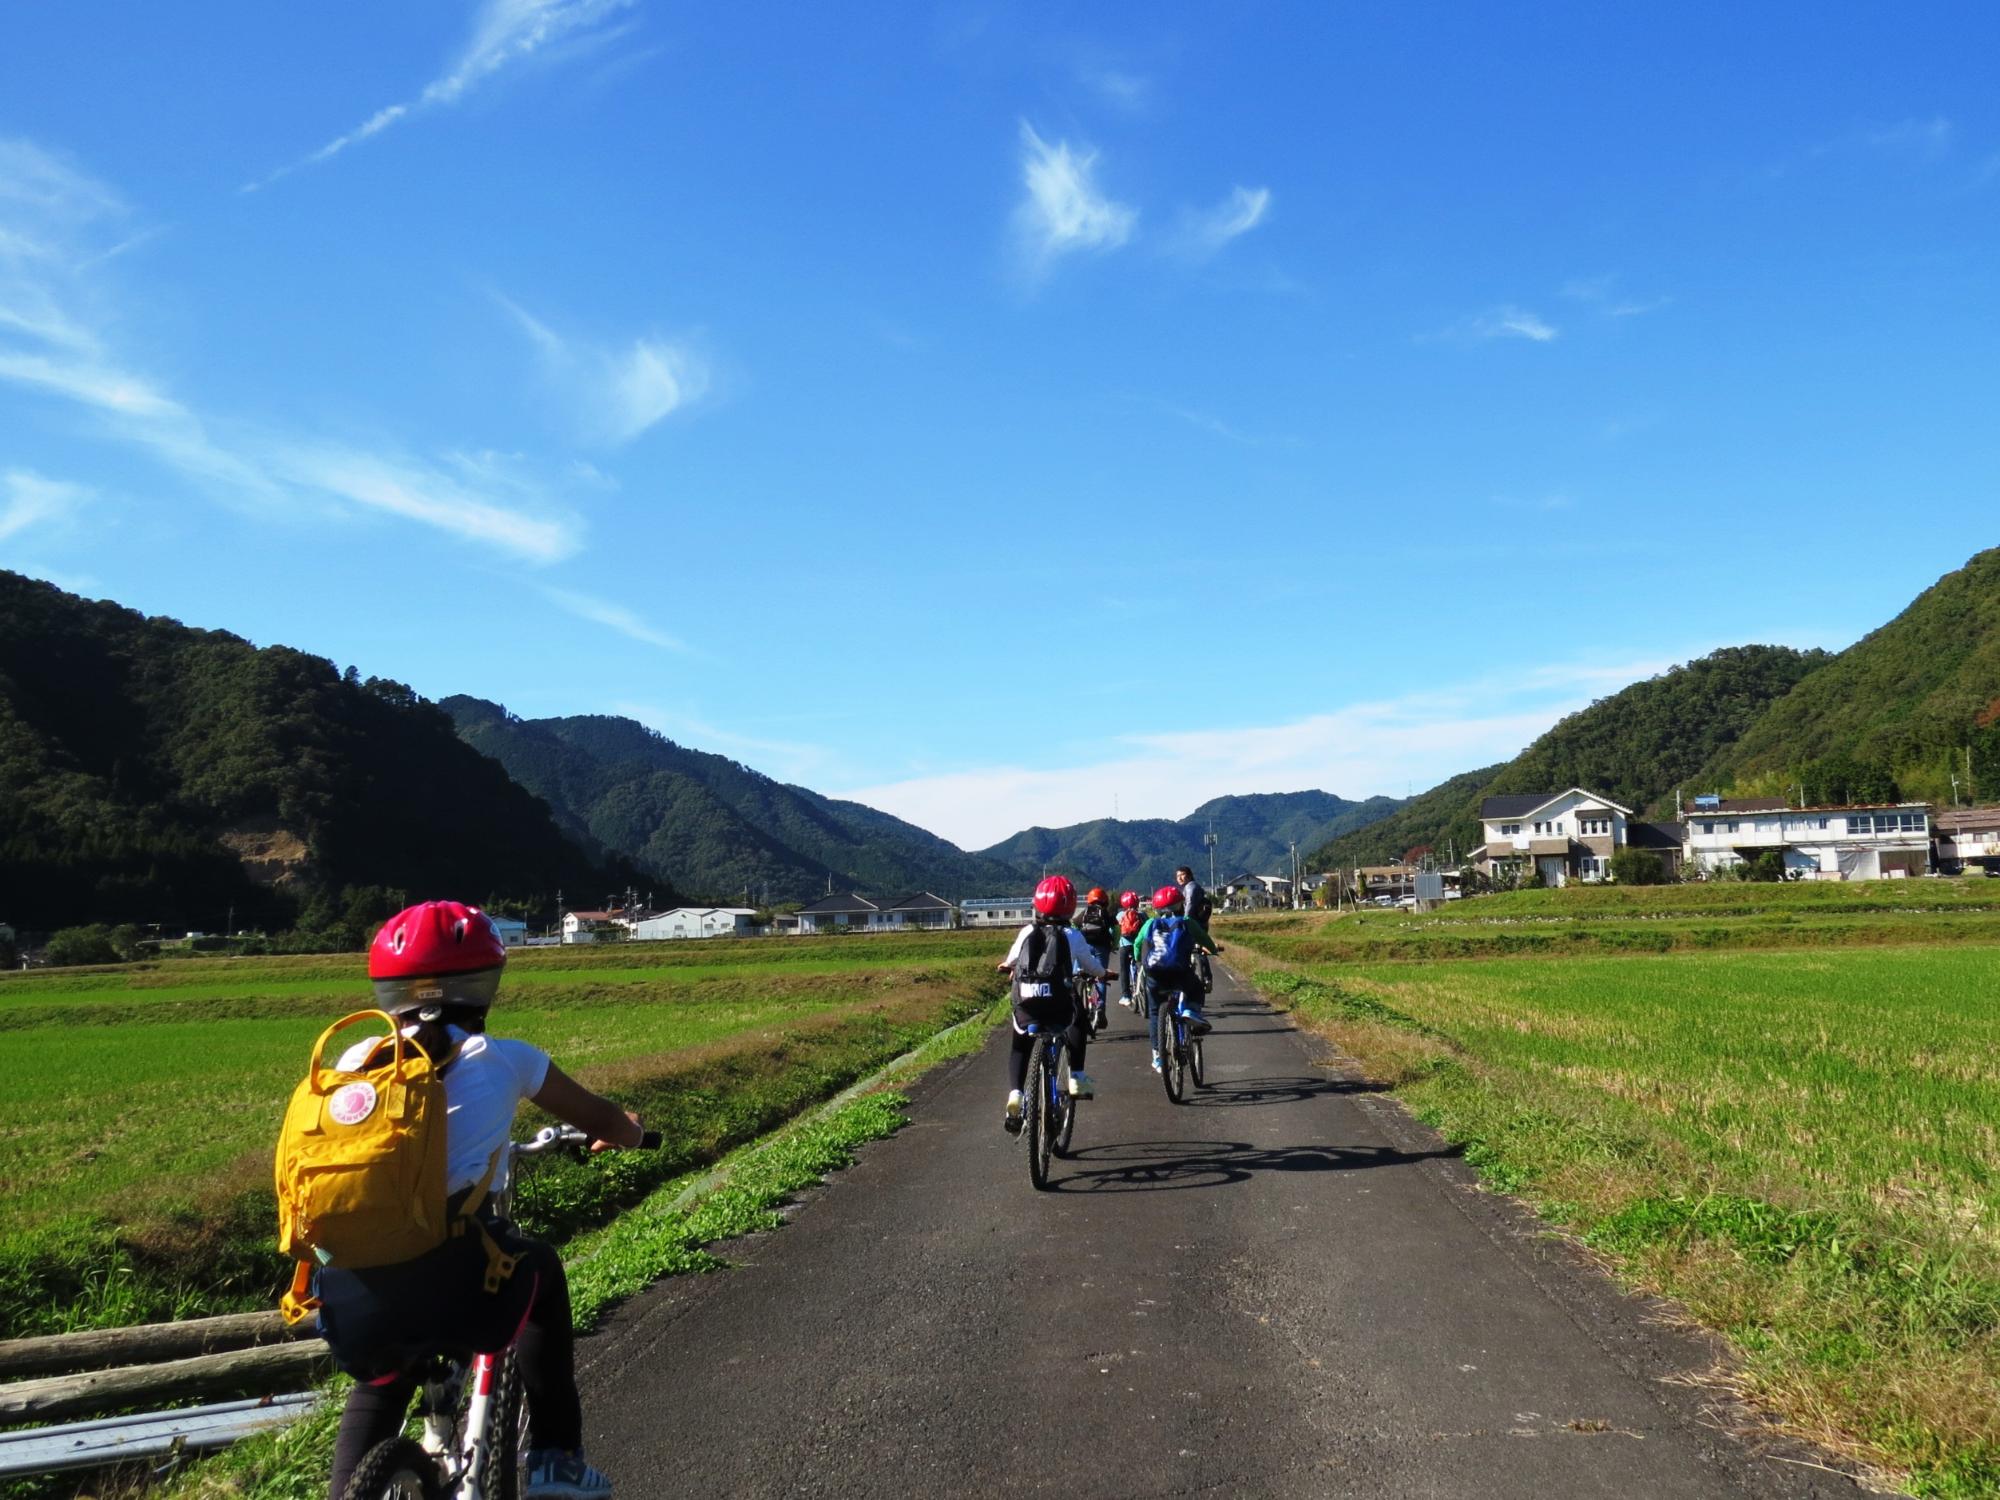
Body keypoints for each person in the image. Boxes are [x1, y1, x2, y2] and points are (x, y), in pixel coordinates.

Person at [320, 901, 645, 1500]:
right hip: (456, 1276)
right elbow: (603, 1118)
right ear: (484, 983)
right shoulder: (505, 1058)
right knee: (540, 1269)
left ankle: (345, 1492)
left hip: (348, 1286)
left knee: (382, 1381)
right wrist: (630, 1131)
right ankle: (556, 1462)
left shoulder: (350, 1061)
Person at [996, 876, 1109, 1131]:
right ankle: (1077, 1077)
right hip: (1057, 1005)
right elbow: (1092, 967)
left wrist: (1006, 967)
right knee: (1078, 1016)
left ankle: (1016, 1094)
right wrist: (1103, 974)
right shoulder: (1072, 935)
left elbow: (1011, 960)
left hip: (1027, 1005)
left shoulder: (1026, 931)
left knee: (1019, 1046)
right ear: (1069, 906)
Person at [1136, 884, 1222, 1071]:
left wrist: (1138, 959)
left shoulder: (1150, 923)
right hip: (1179, 971)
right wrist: (1214, 950)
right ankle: (1190, 1010)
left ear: (1156, 908)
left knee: (1154, 1012)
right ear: (1181, 905)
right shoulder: (1187, 921)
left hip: (1154, 973)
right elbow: (1204, 939)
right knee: (1195, 987)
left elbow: (1137, 944)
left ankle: (1158, 1056)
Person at [1072, 886, 1117, 1032]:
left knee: (1078, 975)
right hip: (1101, 948)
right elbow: (1116, 929)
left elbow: (1074, 926)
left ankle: (1078, 1005)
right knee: (1101, 976)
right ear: (1104, 900)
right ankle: (1100, 1008)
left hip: (1084, 947)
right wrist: (1114, 945)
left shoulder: (1084, 913)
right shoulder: (1105, 913)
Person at [1174, 864, 1216, 986]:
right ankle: (1206, 977)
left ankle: (1197, 976)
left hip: (1193, 924)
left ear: (1190, 875)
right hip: (1201, 923)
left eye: (1182, 874)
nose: (1180, 878)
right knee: (1200, 949)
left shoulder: (1190, 887)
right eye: (1178, 876)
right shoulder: (1194, 887)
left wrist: (1184, 920)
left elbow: (1190, 905)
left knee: (1191, 949)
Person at [1114, 891, 1144, 1006]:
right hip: (1138, 945)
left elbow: (1114, 930)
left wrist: (1114, 943)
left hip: (1124, 946)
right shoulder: (1142, 915)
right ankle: (1144, 987)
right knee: (1141, 965)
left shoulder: (1120, 915)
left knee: (1124, 969)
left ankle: (1126, 996)